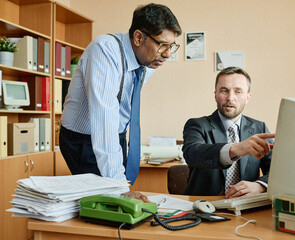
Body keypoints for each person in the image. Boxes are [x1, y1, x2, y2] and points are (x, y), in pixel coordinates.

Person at [59, 3, 182, 201]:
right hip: (84, 138)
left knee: (116, 195)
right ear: (138, 37)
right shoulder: (105, 51)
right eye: (162, 45)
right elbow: (104, 118)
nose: (168, 54)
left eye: (172, 46)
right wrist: (118, 188)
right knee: (107, 201)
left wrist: (119, 184)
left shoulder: (145, 58)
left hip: (117, 134)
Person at [182, 67, 275, 198]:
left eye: (238, 92)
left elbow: (276, 171)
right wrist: (235, 149)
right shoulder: (196, 125)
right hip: (203, 207)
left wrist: (260, 185)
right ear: (215, 95)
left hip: (245, 209)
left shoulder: (260, 128)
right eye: (224, 91)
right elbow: (192, 154)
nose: (230, 98)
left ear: (247, 97)